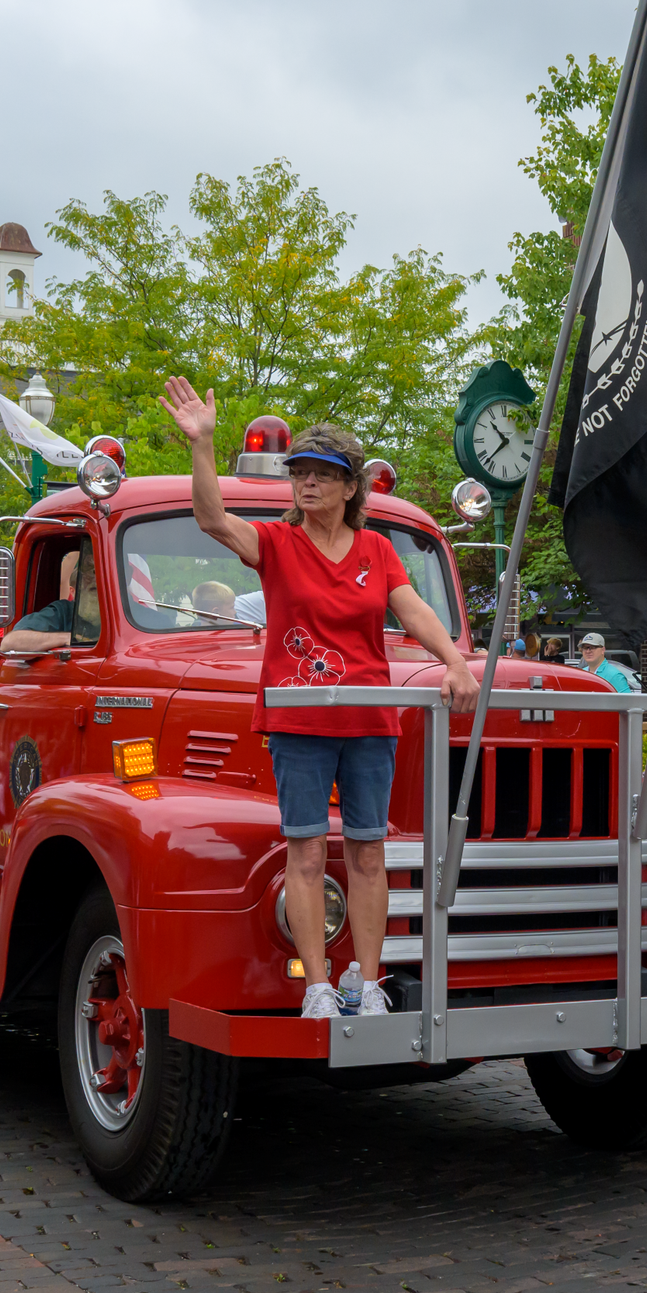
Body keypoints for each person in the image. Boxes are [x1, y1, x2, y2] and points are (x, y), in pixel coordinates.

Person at [161, 379, 478, 1021]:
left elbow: (413, 611)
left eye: (323, 474)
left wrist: (456, 663)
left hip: (368, 718)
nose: (307, 483)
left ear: (350, 487)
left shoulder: (377, 550)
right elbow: (213, 519)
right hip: (299, 720)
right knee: (305, 851)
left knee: (368, 851)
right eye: (299, 473)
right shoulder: (277, 544)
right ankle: (316, 987)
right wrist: (203, 444)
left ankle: (367, 983)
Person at [2, 550, 99, 653]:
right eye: (93, 589)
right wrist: (68, 638)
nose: (94, 579)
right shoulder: (62, 612)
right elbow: (10, 642)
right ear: (73, 592)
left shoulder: (113, 611)